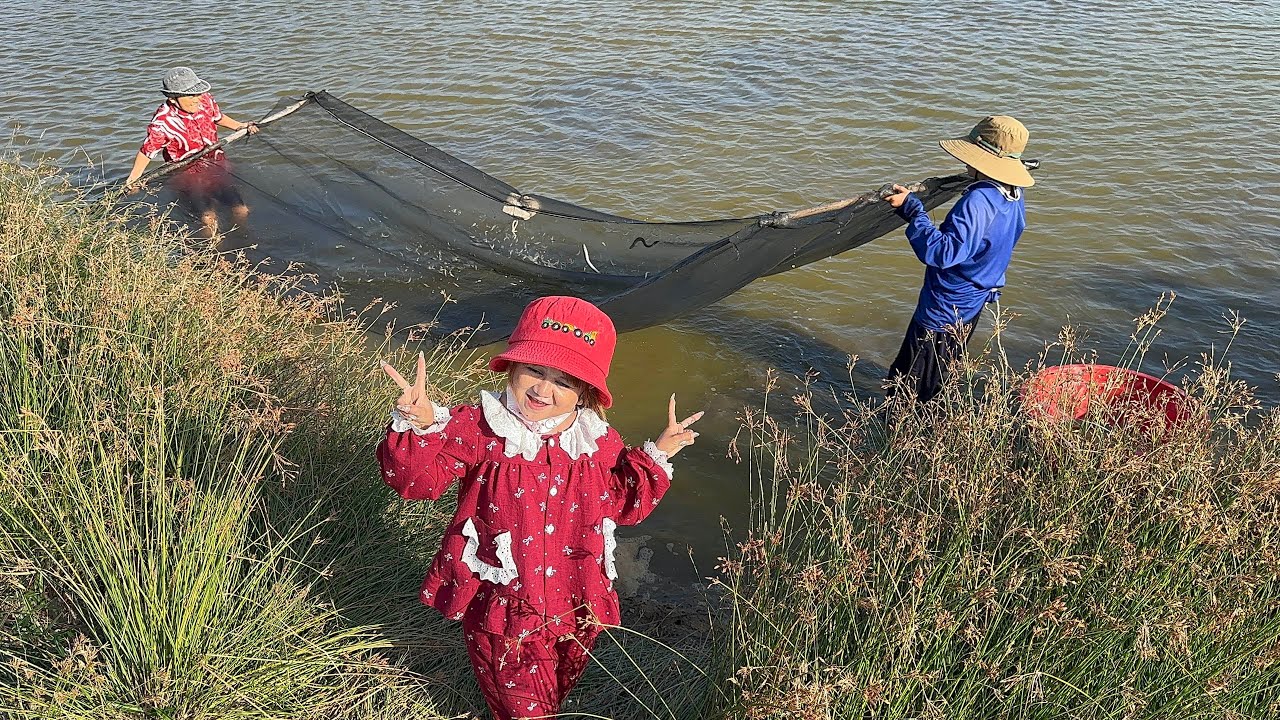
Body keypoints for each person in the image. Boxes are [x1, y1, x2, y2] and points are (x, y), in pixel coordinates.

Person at [376, 295, 703, 720]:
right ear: (512, 365)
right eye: (535, 369)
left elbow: (621, 505)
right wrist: (419, 425)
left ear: (585, 393)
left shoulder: (597, 440)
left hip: (579, 596)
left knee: (556, 690)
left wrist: (659, 451)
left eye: (564, 381)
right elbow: (416, 482)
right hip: (507, 605)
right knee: (525, 711)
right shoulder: (479, 427)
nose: (543, 390)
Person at [882, 115, 1035, 402]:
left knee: (908, 384)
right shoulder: (1014, 193)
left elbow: (942, 253)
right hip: (972, 303)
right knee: (941, 373)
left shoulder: (977, 201)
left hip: (943, 309)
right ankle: (935, 428)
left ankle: (904, 438)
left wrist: (914, 211)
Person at [124, 66, 259, 237]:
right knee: (208, 217)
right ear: (173, 99)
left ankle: (240, 238)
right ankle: (211, 249)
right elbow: (147, 151)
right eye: (191, 95)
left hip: (216, 164)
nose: (197, 99)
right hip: (189, 173)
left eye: (198, 93)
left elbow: (218, 117)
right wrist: (134, 178)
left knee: (241, 209)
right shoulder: (163, 122)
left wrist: (240, 126)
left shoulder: (205, 100)